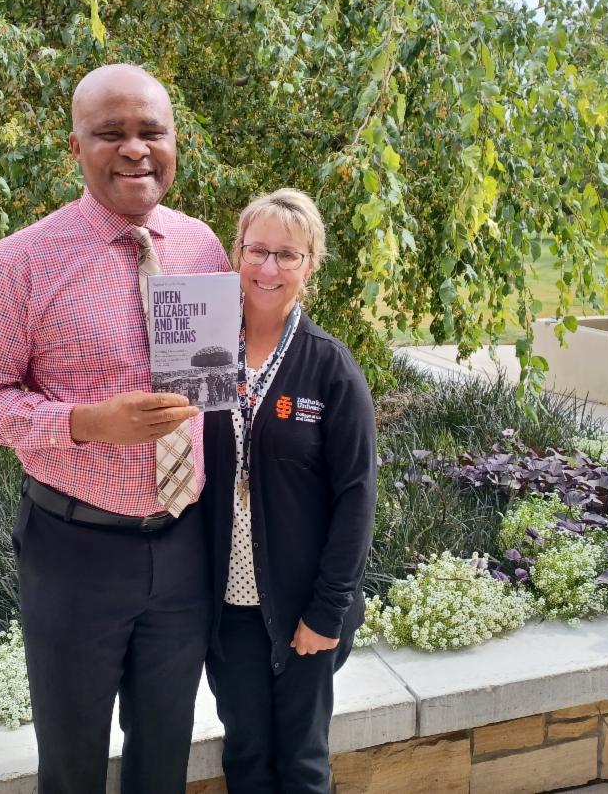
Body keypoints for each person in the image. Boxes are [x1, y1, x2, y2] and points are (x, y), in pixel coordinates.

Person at [0, 64, 230, 794]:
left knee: (164, 753)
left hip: (185, 545)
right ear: (75, 146)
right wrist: (82, 423)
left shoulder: (201, 246)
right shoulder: (24, 261)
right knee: (71, 764)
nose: (135, 149)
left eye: (151, 132)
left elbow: (219, 383)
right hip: (74, 552)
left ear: (175, 141)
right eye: (111, 133)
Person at [202, 189, 377, 793]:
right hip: (228, 609)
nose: (268, 268)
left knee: (302, 762)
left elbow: (357, 498)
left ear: (310, 265)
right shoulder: (203, 353)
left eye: (287, 255)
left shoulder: (330, 367)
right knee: (246, 755)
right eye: (257, 251)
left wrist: (326, 612)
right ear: (237, 254)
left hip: (304, 607)